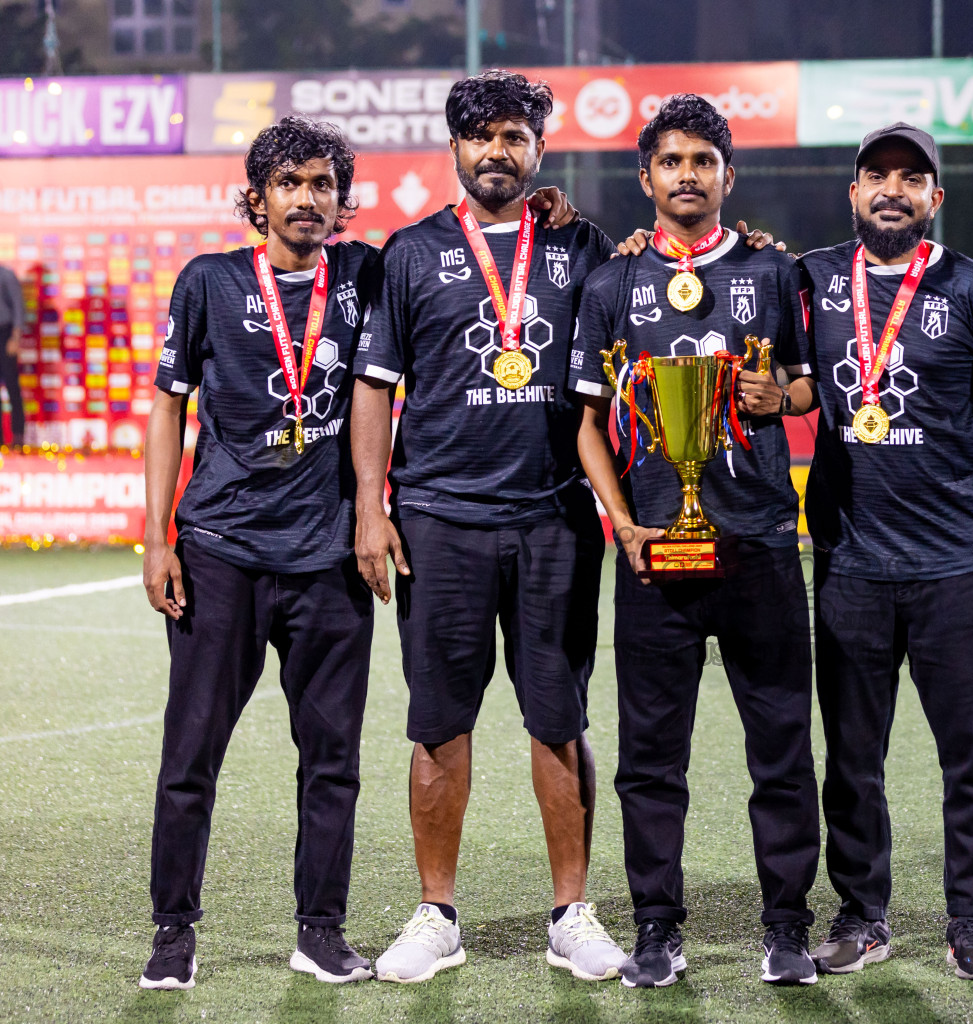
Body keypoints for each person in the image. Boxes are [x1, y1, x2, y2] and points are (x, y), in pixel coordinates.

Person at [353, 70, 628, 984]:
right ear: (455, 148)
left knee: (559, 719)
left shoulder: (582, 243)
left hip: (555, 516)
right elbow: (374, 388)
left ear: (540, 149)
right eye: (481, 136)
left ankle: (571, 913)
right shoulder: (409, 252)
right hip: (439, 518)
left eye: (515, 136)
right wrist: (370, 505)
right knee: (438, 723)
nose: (497, 151)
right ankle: (436, 913)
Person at [569, 94, 821, 989]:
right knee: (649, 757)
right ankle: (655, 929)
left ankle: (786, 926)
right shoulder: (612, 284)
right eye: (671, 162)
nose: (687, 175)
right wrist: (623, 522)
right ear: (646, 178)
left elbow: (808, 387)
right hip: (655, 553)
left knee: (781, 746)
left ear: (727, 176)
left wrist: (779, 398)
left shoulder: (775, 271)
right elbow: (586, 425)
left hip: (760, 543)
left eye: (703, 161)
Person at [138, 115, 380, 990]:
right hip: (220, 551)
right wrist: (156, 536)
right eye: (289, 183)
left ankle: (321, 931)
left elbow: (458, 250)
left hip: (328, 558)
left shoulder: (367, 275)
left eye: (322, 184)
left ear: (341, 201)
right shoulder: (207, 281)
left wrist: (549, 212)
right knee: (190, 756)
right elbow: (168, 406)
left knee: (333, 761)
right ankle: (174, 931)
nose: (306, 199)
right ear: (258, 197)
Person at [795, 122, 973, 981]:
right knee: (853, 758)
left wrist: (965, 444)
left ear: (936, 197)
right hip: (850, 561)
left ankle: (971, 917)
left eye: (911, 177)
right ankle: (863, 914)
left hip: (954, 563)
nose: (893, 189)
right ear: (854, 192)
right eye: (877, 175)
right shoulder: (810, 278)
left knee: (970, 756)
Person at [0, 260, 23, 445]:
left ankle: (18, 435)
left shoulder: (6, 275)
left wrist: (15, 338)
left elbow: (18, 306)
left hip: (5, 333)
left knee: (12, 385)